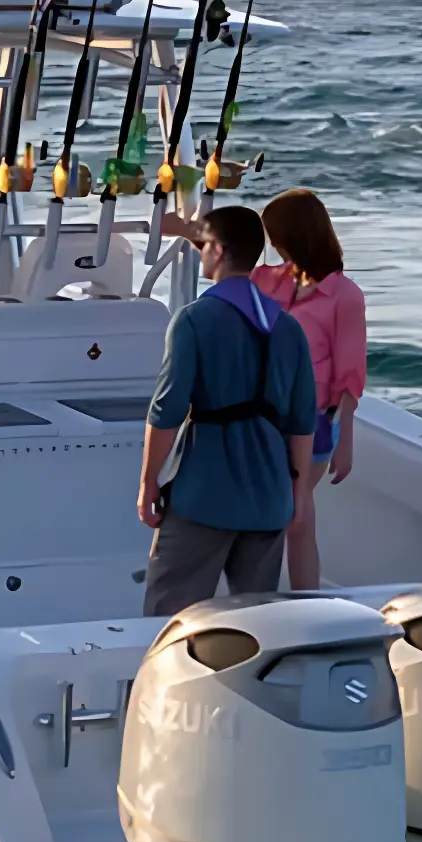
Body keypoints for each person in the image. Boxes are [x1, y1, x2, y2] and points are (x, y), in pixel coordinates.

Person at [138, 203, 317, 615]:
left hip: (205, 495)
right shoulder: (289, 327)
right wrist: (298, 494)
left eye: (204, 245)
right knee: (254, 624)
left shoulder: (194, 320)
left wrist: (149, 482)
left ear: (217, 251)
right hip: (270, 499)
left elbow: (166, 411)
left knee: (168, 617)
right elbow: (302, 421)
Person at [253, 187, 368, 591]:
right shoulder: (271, 280)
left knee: (296, 516)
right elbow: (228, 271)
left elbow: (350, 372)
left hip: (315, 420)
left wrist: (345, 441)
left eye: (277, 236)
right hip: (267, 418)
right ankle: (298, 598)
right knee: (293, 515)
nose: (272, 245)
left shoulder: (345, 297)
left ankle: (304, 601)